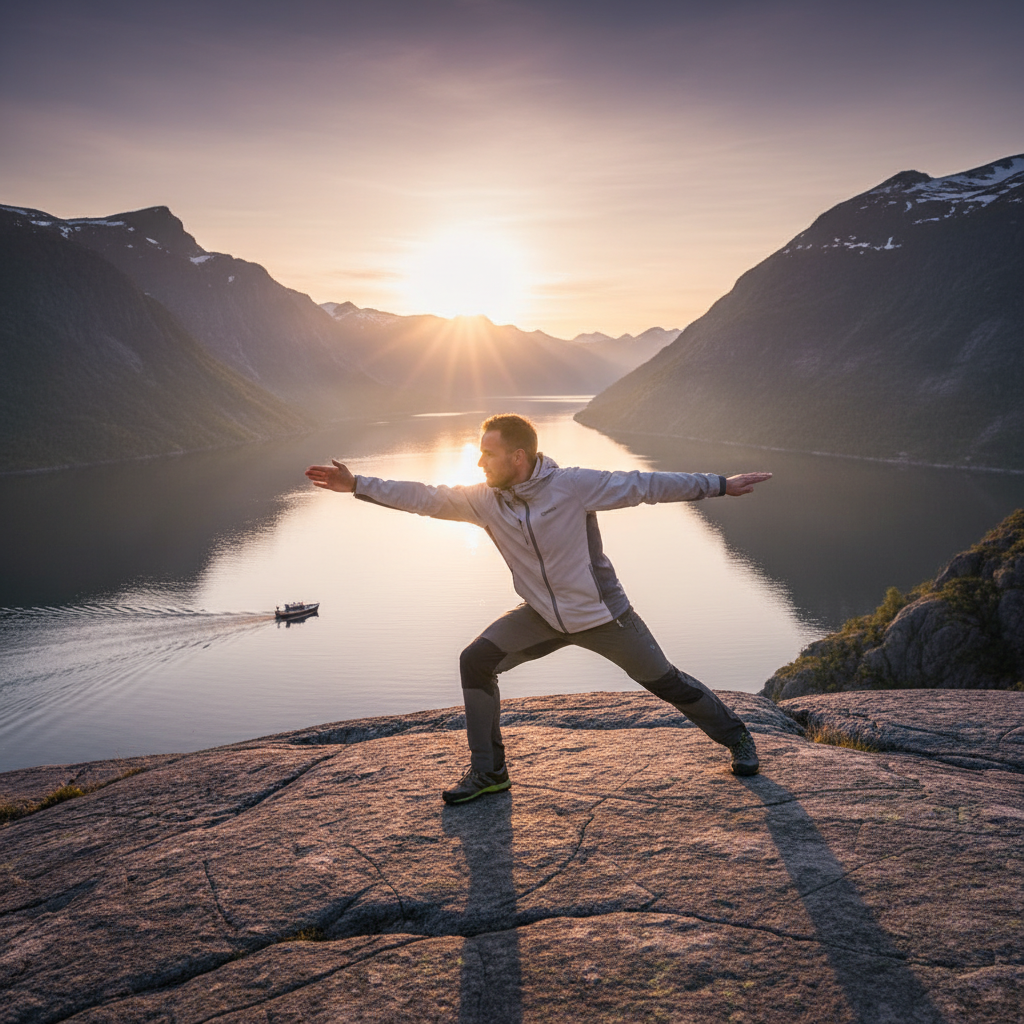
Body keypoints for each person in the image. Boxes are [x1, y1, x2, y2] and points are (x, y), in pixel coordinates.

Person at [305, 414, 772, 805]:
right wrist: (357, 484)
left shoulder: (572, 486)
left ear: (518, 457)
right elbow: (423, 497)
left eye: (488, 454)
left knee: (664, 680)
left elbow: (645, 485)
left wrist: (720, 485)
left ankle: (736, 736)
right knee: (476, 660)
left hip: (604, 617)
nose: (479, 462)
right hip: (542, 617)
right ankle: (489, 773)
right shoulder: (484, 501)